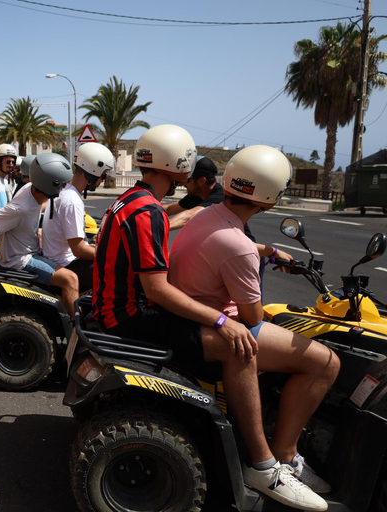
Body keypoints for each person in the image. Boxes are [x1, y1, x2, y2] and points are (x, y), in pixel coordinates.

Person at [93, 125, 330, 511]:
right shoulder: (149, 211)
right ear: (180, 165)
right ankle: (264, 465)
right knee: (239, 347)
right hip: (130, 315)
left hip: (117, 307)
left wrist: (265, 251)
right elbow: (156, 289)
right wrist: (223, 322)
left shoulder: (132, 201)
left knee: (235, 335)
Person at [169, 145, 338, 506]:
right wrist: (255, 255)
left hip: (189, 312)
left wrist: (269, 251)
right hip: (214, 324)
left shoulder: (206, 214)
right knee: (325, 362)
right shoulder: (239, 247)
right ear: (271, 197)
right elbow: (253, 318)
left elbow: (231, 242)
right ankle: (282, 459)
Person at [0, 153, 79, 317]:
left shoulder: (32, 189)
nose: (63, 189)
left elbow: (44, 205)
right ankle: (78, 333)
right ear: (49, 185)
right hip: (19, 258)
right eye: (61, 185)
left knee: (67, 262)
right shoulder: (21, 209)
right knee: (70, 279)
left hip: (28, 250)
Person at [163, 154, 294, 279]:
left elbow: (188, 216)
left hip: (244, 254)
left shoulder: (219, 196)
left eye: (188, 180)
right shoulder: (196, 195)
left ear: (202, 181)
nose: (184, 183)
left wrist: (156, 228)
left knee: (247, 301)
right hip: (225, 250)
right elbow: (168, 209)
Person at [42, 142, 112, 292]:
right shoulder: (72, 200)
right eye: (103, 175)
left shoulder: (63, 189)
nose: (102, 180)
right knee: (117, 269)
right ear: (94, 171)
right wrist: (109, 253)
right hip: (67, 263)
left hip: (57, 257)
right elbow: (78, 250)